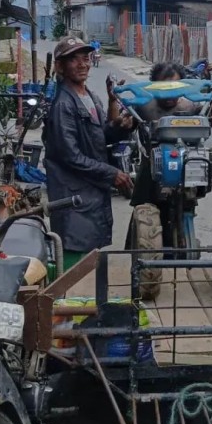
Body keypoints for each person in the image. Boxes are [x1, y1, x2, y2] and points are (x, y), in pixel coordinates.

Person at [43, 36, 135, 275]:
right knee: (71, 268)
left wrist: (121, 126)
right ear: (60, 66)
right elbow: (69, 155)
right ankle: (62, 308)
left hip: (90, 196)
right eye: (73, 59)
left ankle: (79, 308)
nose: (82, 64)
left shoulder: (89, 96)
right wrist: (112, 174)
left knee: (88, 265)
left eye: (85, 57)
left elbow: (99, 136)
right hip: (73, 198)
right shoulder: (64, 104)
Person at [118, 61, 212, 248]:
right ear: (153, 86)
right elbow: (121, 124)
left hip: (184, 170)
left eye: (174, 88)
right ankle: (140, 262)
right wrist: (116, 102)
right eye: (163, 88)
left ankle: (182, 243)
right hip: (151, 172)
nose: (169, 95)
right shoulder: (144, 106)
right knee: (143, 221)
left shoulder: (191, 105)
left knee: (186, 206)